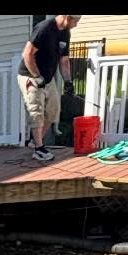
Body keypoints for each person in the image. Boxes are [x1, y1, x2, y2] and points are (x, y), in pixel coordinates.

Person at [17, 15, 82, 163]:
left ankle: (35, 142)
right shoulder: (44, 28)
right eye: (75, 21)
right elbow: (27, 54)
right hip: (30, 76)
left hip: (47, 78)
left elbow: (64, 60)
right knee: (36, 112)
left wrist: (68, 82)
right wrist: (36, 76)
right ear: (66, 17)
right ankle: (39, 149)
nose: (76, 25)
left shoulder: (65, 32)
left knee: (53, 111)